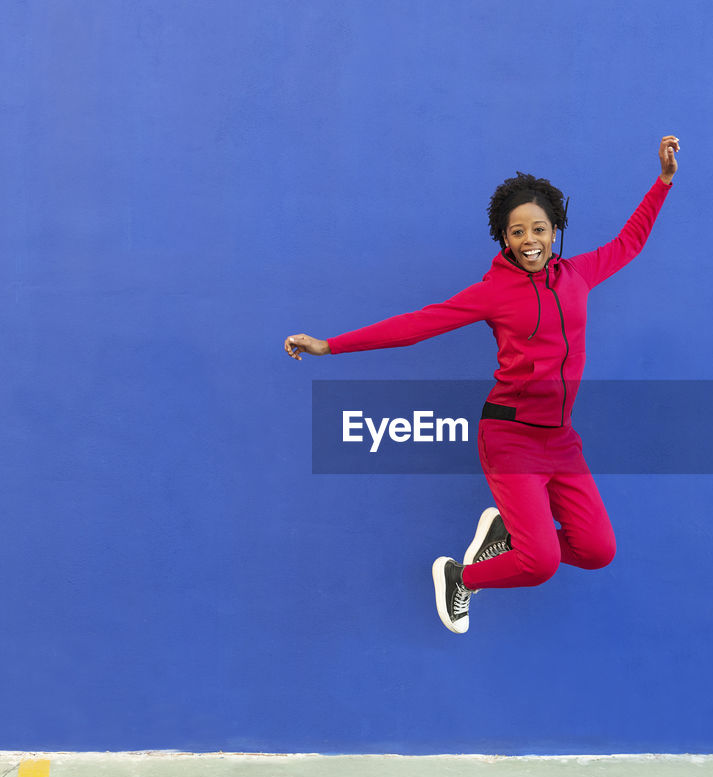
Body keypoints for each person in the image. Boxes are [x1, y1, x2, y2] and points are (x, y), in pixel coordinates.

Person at [286, 135, 679, 634]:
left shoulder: (577, 274)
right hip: (510, 437)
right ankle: (459, 577)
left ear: (556, 230)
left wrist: (662, 181)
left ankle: (505, 532)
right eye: (518, 232)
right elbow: (416, 325)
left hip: (560, 439)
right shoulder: (493, 292)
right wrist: (330, 345)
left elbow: (630, 243)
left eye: (539, 228)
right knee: (537, 563)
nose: (530, 239)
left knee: (596, 550)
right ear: (504, 238)